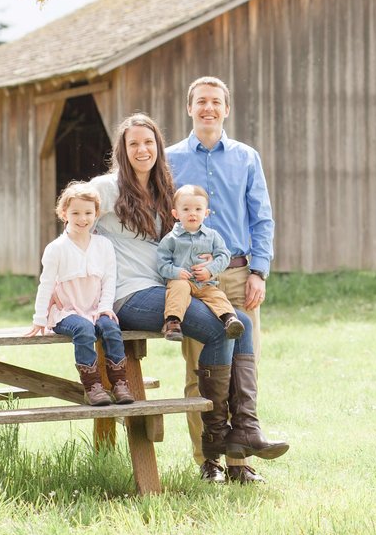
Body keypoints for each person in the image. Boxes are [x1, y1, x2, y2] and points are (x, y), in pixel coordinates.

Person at [91, 113, 287, 483]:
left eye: (148, 142)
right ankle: (214, 443)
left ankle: (244, 427)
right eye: (133, 143)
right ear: (123, 149)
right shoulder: (106, 187)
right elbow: (74, 220)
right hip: (129, 296)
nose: (142, 149)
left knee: (240, 323)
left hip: (166, 290)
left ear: (158, 148)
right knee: (218, 329)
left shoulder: (166, 191)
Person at [167, 76, 280, 485]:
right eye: (200, 101)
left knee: (241, 366)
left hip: (237, 274)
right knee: (201, 369)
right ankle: (207, 459)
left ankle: (239, 462)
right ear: (189, 107)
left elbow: (261, 217)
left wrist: (259, 271)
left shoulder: (246, 157)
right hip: (193, 281)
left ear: (226, 109)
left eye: (216, 101)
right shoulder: (171, 159)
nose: (208, 108)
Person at [25, 181, 133, 406]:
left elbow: (109, 280)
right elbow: (45, 284)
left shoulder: (103, 245)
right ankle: (93, 386)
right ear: (64, 213)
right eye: (75, 213)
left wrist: (105, 308)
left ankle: (120, 383)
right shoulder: (57, 248)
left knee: (111, 328)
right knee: (84, 330)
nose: (82, 219)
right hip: (67, 312)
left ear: (97, 214)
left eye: (88, 213)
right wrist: (39, 318)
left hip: (95, 308)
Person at [157, 184, 245, 342]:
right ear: (176, 213)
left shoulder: (212, 236)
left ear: (206, 213)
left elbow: (224, 255)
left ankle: (230, 319)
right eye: (186, 209)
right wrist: (176, 272)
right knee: (179, 288)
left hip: (205, 283)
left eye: (198, 209)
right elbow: (162, 264)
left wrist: (210, 270)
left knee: (217, 296)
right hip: (182, 281)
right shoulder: (170, 239)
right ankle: (172, 323)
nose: (192, 213)